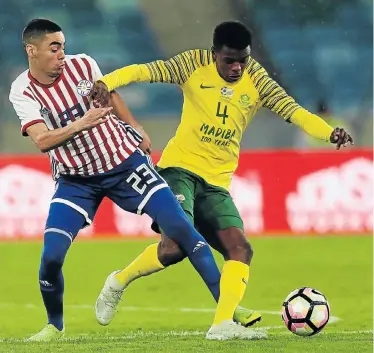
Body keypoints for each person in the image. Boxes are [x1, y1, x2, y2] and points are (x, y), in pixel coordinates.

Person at [91, 21, 354, 340]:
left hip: (217, 182)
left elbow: (294, 112)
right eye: (229, 60)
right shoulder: (192, 64)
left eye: (242, 59)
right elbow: (144, 71)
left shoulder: (257, 79)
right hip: (179, 169)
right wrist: (106, 82)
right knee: (174, 248)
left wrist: (329, 132)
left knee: (240, 248)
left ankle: (221, 325)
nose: (236, 67)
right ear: (215, 54)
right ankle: (117, 282)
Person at [9, 18, 239, 342]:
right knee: (51, 256)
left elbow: (111, 96)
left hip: (124, 163)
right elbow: (42, 140)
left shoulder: (84, 65)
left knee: (183, 230)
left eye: (63, 45)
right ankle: (54, 326)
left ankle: (227, 319)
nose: (62, 54)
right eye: (54, 47)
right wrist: (83, 123)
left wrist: (136, 127)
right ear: (32, 51)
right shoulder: (23, 90)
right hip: (77, 180)